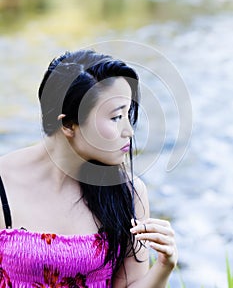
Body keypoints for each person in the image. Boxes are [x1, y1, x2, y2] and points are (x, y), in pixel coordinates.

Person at [0, 49, 177, 287]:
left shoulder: (128, 193)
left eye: (128, 114)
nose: (129, 131)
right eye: (115, 118)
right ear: (68, 124)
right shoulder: (4, 183)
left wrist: (165, 266)